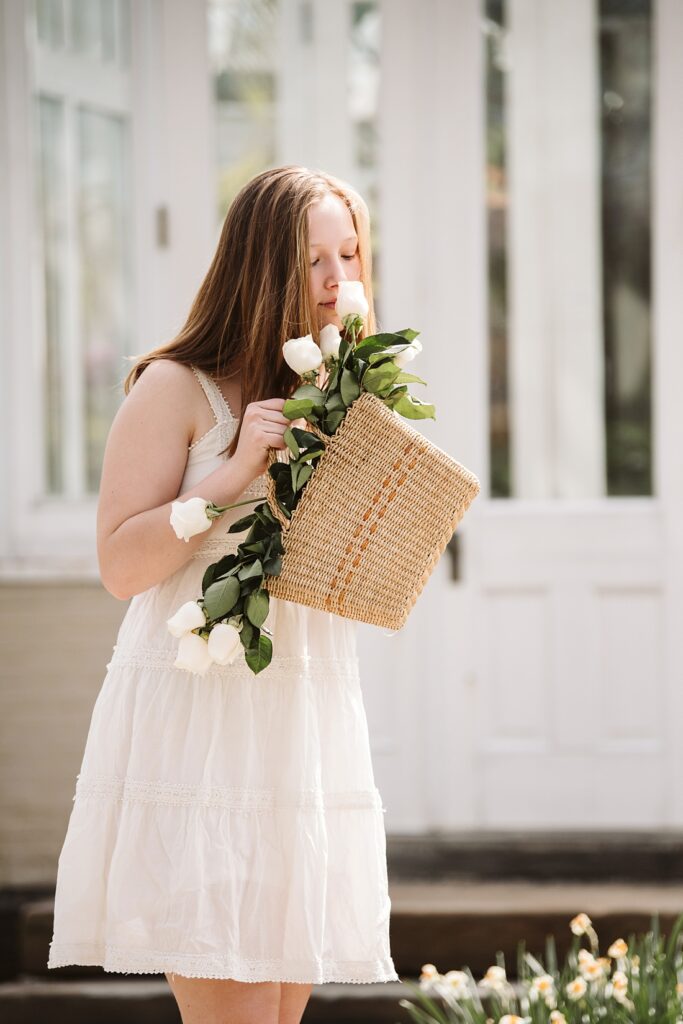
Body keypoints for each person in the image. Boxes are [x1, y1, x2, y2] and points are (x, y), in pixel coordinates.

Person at [46, 165, 400, 1024]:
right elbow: (120, 565)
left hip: (297, 725)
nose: (335, 280)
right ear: (260, 263)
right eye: (313, 259)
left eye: (347, 255)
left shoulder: (329, 392)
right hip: (201, 733)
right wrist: (236, 470)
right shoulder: (175, 387)